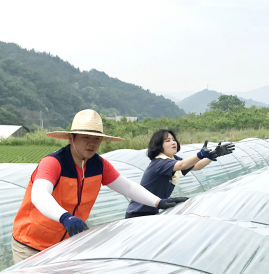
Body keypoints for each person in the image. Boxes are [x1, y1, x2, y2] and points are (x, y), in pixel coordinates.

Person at [11, 110, 194, 264]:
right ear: (72, 138)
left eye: (96, 139)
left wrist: (158, 202)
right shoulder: (54, 163)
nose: (91, 143)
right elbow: (39, 195)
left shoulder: (98, 165)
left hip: (65, 244)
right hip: (31, 244)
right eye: (85, 138)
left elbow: (128, 187)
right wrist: (65, 217)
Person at [125, 130, 234, 218]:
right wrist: (200, 154)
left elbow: (197, 166)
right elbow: (183, 165)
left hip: (152, 212)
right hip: (137, 214)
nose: (173, 142)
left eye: (174, 140)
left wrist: (213, 155)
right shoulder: (160, 162)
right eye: (167, 141)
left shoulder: (173, 159)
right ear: (158, 146)